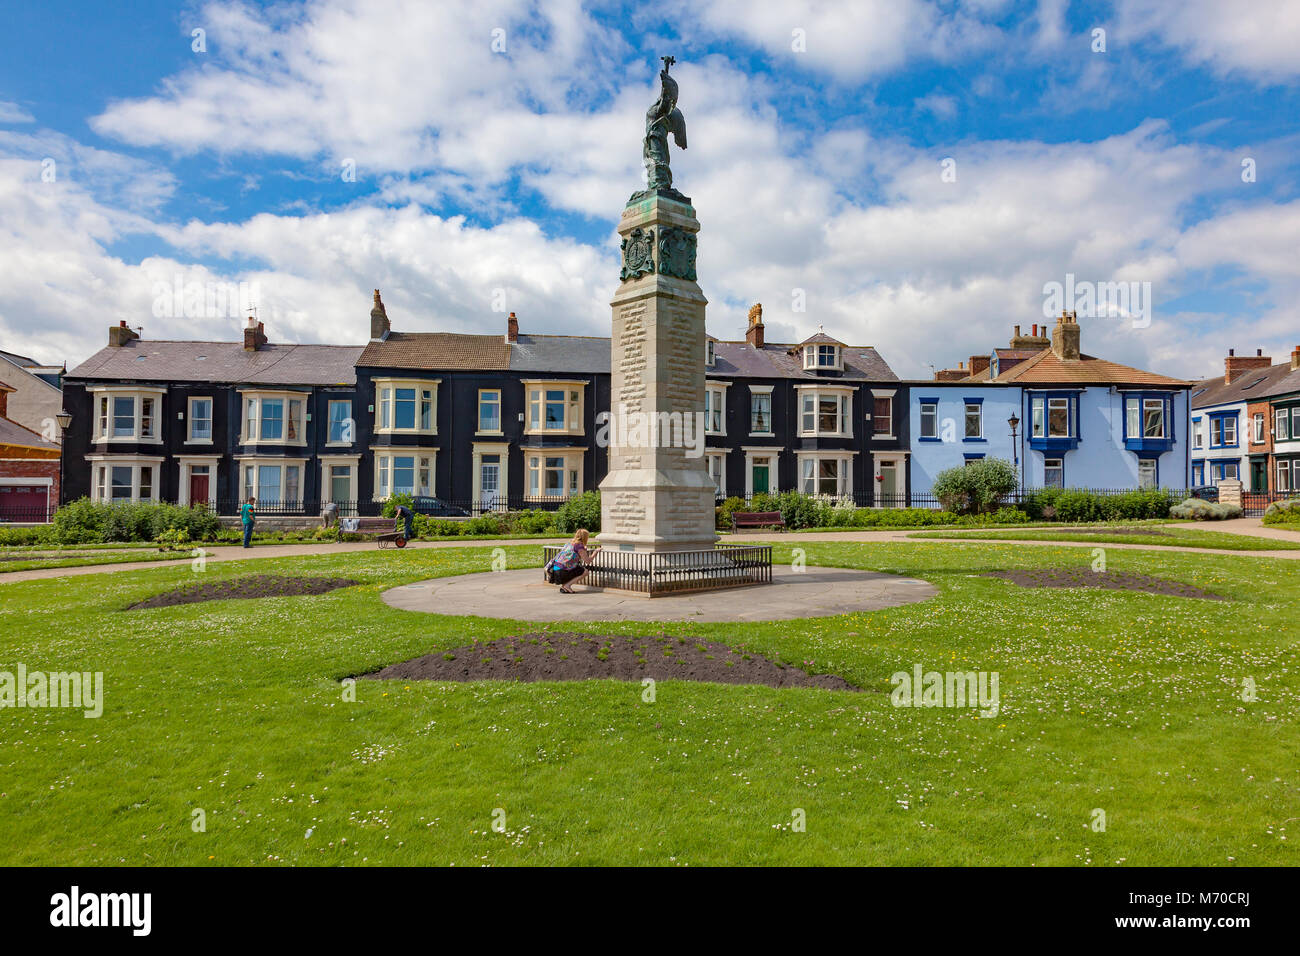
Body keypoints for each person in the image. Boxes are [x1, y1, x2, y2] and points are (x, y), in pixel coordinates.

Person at [547, 528, 599, 594]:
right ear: (585, 537)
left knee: (575, 568)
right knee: (585, 572)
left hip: (555, 570)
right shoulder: (579, 546)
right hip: (562, 572)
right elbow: (587, 561)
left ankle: (564, 586)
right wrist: (595, 552)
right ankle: (567, 585)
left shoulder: (570, 543)